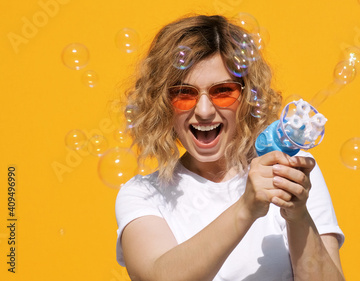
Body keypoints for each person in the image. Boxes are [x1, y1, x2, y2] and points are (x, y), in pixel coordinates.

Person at [115, 14, 345, 281]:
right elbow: (158, 276)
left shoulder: (289, 170)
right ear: (162, 103)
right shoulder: (143, 194)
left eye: (222, 91)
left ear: (247, 97)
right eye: (184, 93)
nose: (203, 110)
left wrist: (298, 216)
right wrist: (246, 208)